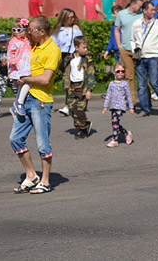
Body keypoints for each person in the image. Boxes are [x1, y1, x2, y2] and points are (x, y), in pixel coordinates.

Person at [9, 16, 62, 194]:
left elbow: (46, 78)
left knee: (42, 144)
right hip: (26, 99)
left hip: (40, 101)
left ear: (42, 31)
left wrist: (25, 79)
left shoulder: (53, 50)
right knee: (15, 138)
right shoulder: (33, 45)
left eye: (31, 30)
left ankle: (46, 181)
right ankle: (31, 175)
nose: (28, 33)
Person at [131, 1, 158, 117]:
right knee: (141, 85)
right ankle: (145, 109)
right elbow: (132, 39)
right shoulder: (136, 24)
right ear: (144, 11)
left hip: (153, 56)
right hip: (140, 57)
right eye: (152, 10)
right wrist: (134, 49)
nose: (154, 12)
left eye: (154, 10)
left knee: (155, 82)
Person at [50, 8, 83, 116]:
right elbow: (53, 44)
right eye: (70, 17)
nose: (72, 19)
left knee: (69, 81)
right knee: (67, 81)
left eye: (73, 17)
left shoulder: (76, 29)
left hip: (74, 56)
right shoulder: (58, 30)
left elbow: (81, 42)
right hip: (62, 56)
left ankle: (68, 105)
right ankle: (71, 103)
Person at [62, 36, 96, 139]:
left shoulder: (87, 60)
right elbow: (66, 72)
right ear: (76, 47)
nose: (86, 50)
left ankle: (82, 129)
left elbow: (91, 75)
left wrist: (89, 90)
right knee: (72, 109)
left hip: (83, 87)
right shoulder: (69, 59)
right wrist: (66, 85)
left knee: (80, 109)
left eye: (86, 48)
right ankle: (85, 123)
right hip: (72, 86)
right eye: (84, 48)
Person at [114, 0, 143, 106]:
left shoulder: (141, 15)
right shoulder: (121, 14)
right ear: (132, 4)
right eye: (139, 6)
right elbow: (117, 30)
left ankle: (146, 99)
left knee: (142, 75)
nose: (140, 9)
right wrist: (119, 45)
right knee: (129, 76)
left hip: (138, 49)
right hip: (125, 49)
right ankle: (132, 101)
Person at [103, 63, 134, 147]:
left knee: (115, 122)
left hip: (121, 107)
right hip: (113, 106)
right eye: (118, 71)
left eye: (122, 71)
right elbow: (108, 95)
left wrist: (131, 107)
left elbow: (128, 96)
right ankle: (127, 133)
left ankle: (115, 140)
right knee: (115, 123)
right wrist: (105, 106)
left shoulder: (125, 84)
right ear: (114, 72)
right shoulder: (111, 84)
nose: (120, 73)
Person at [8, 18, 33, 116]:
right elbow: (10, 54)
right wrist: (12, 61)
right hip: (19, 66)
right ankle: (20, 103)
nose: (16, 32)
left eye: (19, 30)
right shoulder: (13, 42)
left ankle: (17, 104)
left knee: (23, 84)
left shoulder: (28, 40)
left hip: (27, 65)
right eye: (14, 30)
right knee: (28, 82)